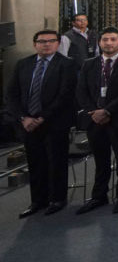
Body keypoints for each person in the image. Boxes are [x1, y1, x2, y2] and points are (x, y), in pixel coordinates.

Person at [6, 29, 78, 217]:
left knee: (56, 162)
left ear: (58, 43)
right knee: (35, 162)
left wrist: (42, 117)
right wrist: (23, 118)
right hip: (28, 123)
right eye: (42, 41)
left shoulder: (67, 64)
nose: (46, 44)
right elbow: (12, 94)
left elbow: (65, 95)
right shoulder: (23, 64)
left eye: (51, 41)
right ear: (34, 44)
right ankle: (37, 201)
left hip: (54, 122)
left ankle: (57, 199)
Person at [75, 27, 118, 215]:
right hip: (94, 119)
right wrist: (93, 112)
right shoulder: (89, 64)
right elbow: (81, 91)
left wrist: (107, 111)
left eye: (113, 39)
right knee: (100, 160)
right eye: (105, 39)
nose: (108, 43)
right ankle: (99, 196)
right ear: (99, 42)